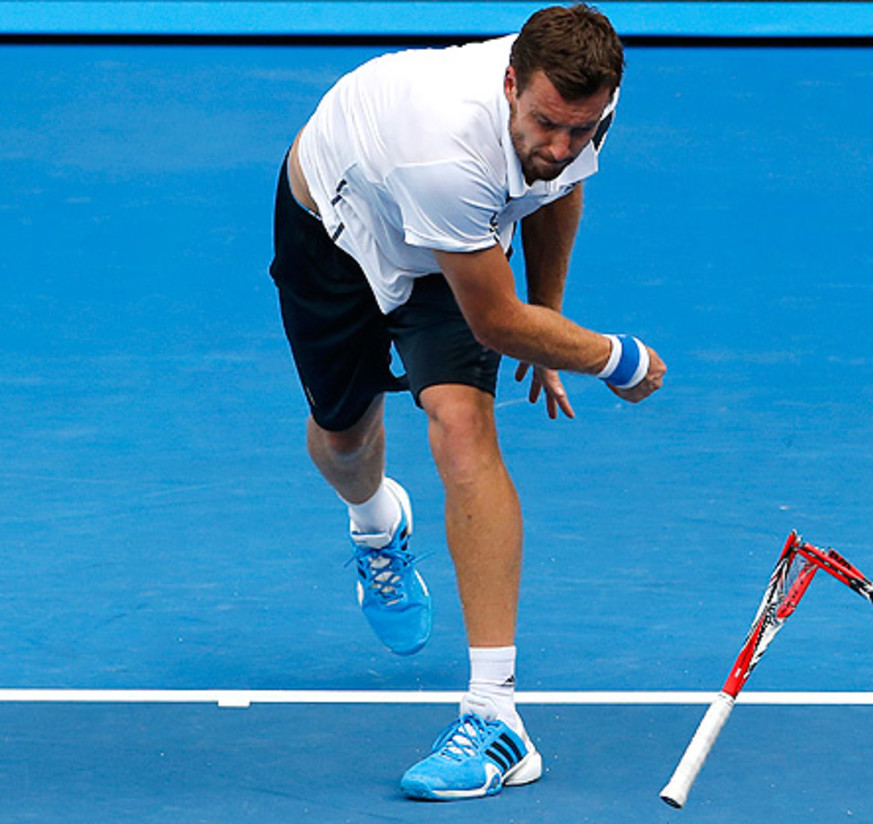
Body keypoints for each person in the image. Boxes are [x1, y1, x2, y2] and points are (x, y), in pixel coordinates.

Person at [268, 3, 666, 801]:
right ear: (510, 82)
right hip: (338, 224)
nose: (560, 145)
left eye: (580, 129)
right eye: (547, 123)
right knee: (341, 443)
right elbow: (494, 320)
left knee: (461, 428)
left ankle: (496, 718)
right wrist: (614, 359)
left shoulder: (587, 110)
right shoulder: (446, 154)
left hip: (452, 240)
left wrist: (546, 321)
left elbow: (555, 188)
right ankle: (378, 520)